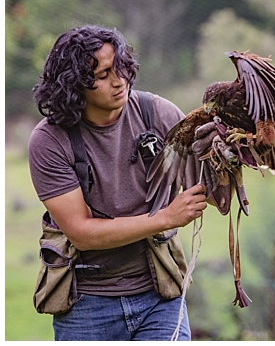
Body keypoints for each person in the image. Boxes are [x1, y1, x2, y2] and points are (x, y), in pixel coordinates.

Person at [29, 25, 206, 341]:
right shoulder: (49, 140)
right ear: (74, 84)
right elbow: (82, 234)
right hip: (86, 304)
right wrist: (166, 218)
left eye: (121, 67)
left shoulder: (157, 114)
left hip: (159, 294)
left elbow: (207, 170)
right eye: (104, 74)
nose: (119, 80)